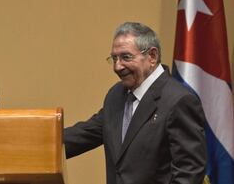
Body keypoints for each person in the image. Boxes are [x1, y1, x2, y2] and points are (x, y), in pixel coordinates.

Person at [64, 22, 206, 184]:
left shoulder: (179, 100)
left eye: (126, 57)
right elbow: (86, 134)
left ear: (152, 56)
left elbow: (189, 173)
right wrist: (38, 142)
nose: (117, 66)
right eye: (114, 58)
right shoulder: (116, 94)